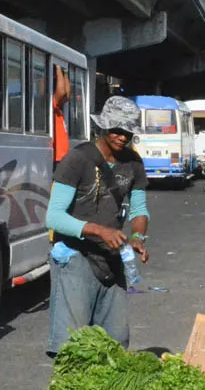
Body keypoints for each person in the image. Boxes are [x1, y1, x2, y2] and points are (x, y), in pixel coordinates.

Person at [44, 96, 149, 355]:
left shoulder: (133, 163)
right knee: (73, 346)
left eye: (128, 132)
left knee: (116, 342)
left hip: (111, 259)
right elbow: (54, 217)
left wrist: (137, 236)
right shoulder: (77, 159)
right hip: (75, 256)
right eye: (116, 130)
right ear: (103, 127)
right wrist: (99, 230)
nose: (122, 137)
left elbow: (139, 209)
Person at [52, 66, 71, 166]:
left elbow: (66, 96)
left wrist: (65, 72)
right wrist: (59, 67)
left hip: (62, 156)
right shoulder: (52, 102)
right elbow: (62, 92)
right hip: (56, 157)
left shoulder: (58, 108)